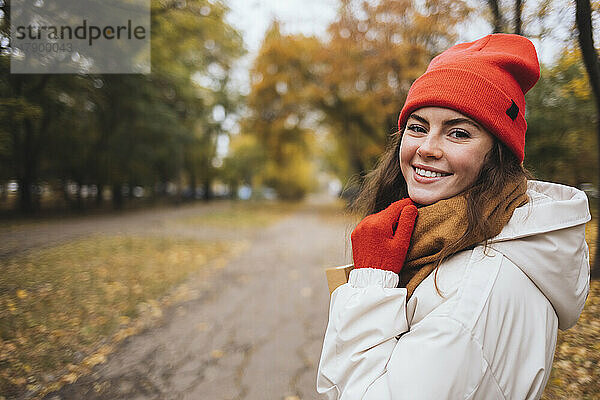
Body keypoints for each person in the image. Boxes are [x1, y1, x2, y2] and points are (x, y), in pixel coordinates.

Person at [316, 33, 591, 399]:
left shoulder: (470, 296)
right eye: (418, 127)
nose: (427, 148)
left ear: (498, 154)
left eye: (458, 133)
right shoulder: (469, 237)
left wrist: (370, 283)